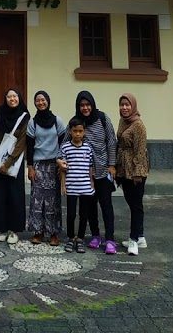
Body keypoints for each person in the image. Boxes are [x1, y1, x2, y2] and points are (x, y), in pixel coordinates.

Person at [73, 90, 118, 254]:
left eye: (87, 104)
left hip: (103, 170)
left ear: (92, 104)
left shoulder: (103, 118)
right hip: (86, 174)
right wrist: (60, 159)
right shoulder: (77, 122)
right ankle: (95, 235)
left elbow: (112, 142)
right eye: (82, 105)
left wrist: (112, 165)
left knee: (106, 206)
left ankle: (110, 239)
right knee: (90, 207)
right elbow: (65, 141)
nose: (85, 108)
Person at [26, 90, 66, 245]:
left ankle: (53, 233)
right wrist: (30, 167)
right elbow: (29, 146)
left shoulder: (58, 121)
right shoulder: (33, 123)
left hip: (54, 165)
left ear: (48, 101)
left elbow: (63, 143)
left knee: (53, 200)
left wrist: (61, 163)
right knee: (37, 200)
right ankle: (38, 232)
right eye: (37, 100)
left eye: (43, 100)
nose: (41, 103)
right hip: (38, 165)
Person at [0, 87, 29, 243]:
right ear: (5, 99)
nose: (12, 99)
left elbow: (21, 143)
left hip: (14, 162)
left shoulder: (24, 115)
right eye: (9, 96)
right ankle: (3, 228)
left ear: (19, 98)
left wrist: (8, 162)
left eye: (15, 96)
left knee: (15, 195)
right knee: (0, 195)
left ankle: (14, 230)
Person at [115, 92, 149, 256]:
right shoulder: (123, 121)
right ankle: (140, 236)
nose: (124, 107)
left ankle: (134, 240)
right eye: (122, 104)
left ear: (133, 106)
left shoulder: (138, 126)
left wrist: (138, 173)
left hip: (135, 171)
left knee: (136, 205)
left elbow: (140, 152)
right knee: (132, 203)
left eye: (127, 104)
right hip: (123, 168)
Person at [58, 114, 95, 253]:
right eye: (75, 131)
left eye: (80, 131)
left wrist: (92, 184)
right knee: (71, 214)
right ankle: (70, 238)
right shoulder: (66, 147)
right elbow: (63, 168)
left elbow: (91, 167)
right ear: (70, 131)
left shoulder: (88, 148)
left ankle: (80, 239)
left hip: (85, 187)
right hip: (72, 186)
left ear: (84, 132)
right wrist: (63, 184)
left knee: (84, 214)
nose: (77, 134)